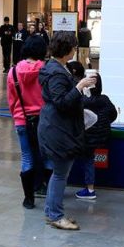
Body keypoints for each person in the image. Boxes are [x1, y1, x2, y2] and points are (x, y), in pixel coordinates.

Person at [38, 31, 98, 230]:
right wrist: (79, 86)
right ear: (67, 49)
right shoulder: (56, 73)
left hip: (56, 126)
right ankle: (56, 215)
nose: (75, 50)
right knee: (60, 174)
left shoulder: (55, 68)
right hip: (59, 129)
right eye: (73, 47)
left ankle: (52, 211)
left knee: (59, 172)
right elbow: (62, 102)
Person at [7, 35, 48, 209]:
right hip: (43, 120)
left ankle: (28, 198)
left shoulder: (13, 72)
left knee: (26, 157)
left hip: (22, 119)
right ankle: (46, 190)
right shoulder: (45, 70)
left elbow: (11, 100)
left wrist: (17, 115)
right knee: (46, 155)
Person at [75, 71, 118, 202]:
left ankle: (90, 189)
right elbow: (113, 114)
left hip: (87, 137)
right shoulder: (104, 99)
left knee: (88, 160)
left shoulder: (82, 101)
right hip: (103, 136)